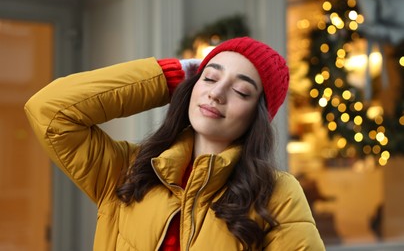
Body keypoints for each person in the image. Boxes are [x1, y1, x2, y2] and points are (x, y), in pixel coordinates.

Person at [24, 37, 325, 250]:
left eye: (242, 91)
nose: (216, 94)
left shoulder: (276, 194)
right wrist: (169, 76)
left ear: (256, 117)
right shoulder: (128, 171)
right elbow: (49, 111)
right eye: (209, 78)